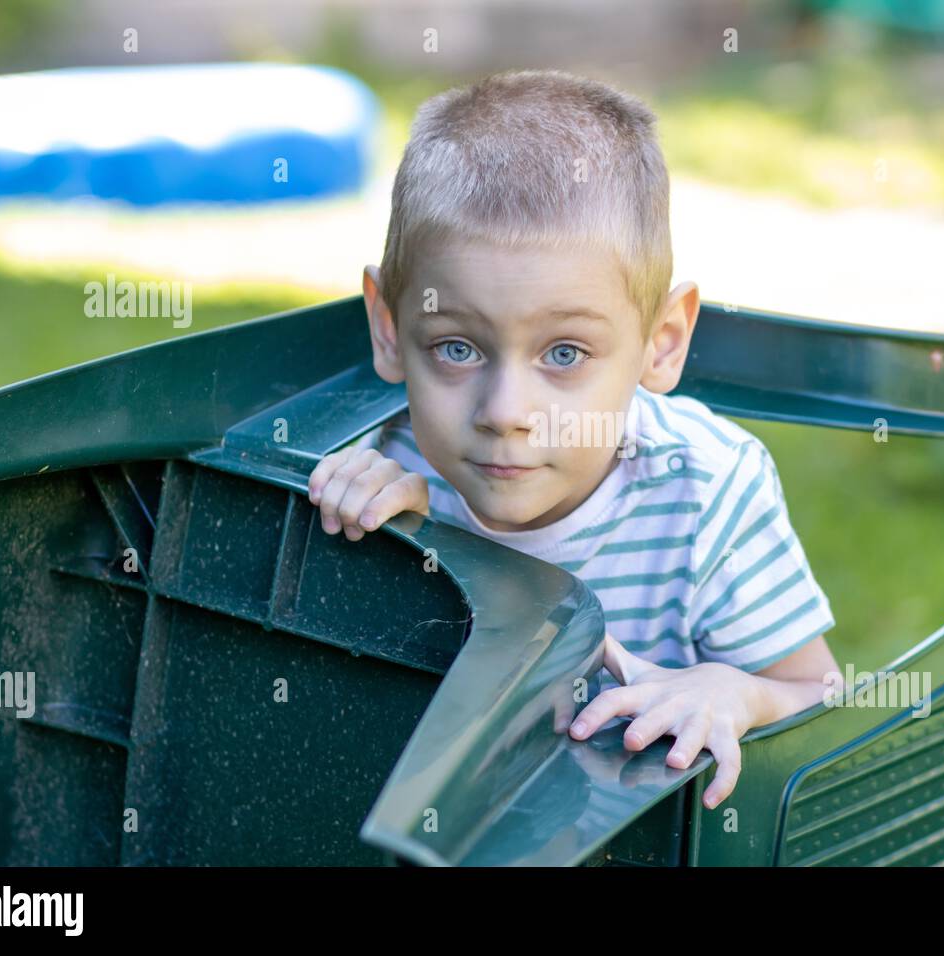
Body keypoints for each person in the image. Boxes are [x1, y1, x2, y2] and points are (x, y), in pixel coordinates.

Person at [309, 69, 842, 810]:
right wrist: (367, 539)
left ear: (662, 343)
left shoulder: (706, 486)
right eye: (458, 347)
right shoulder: (375, 468)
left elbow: (819, 697)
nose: (505, 411)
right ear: (390, 329)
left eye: (564, 354)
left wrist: (734, 693)